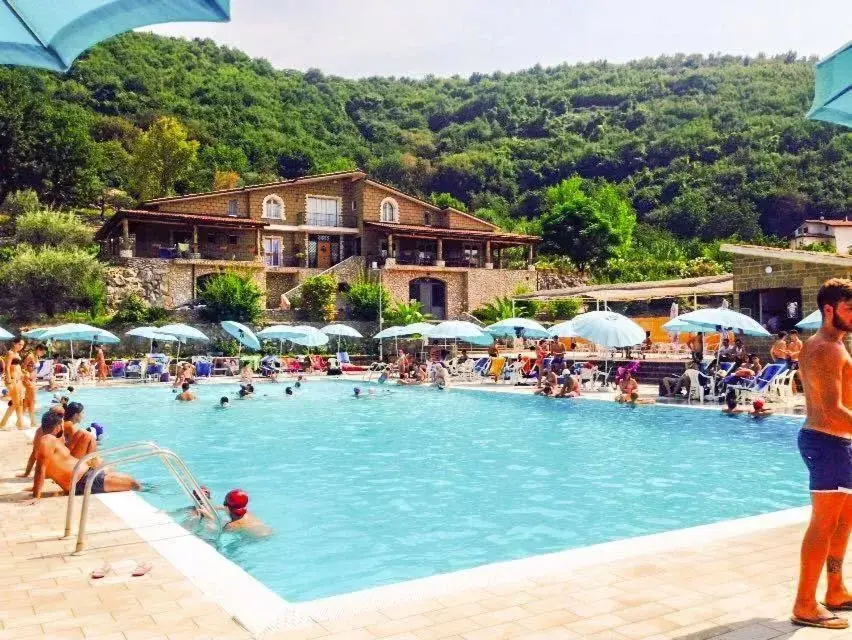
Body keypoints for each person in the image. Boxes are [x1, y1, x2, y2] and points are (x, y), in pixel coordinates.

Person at [787, 279, 852, 629]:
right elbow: (831, 409)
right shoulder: (827, 348)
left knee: (845, 520)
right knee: (824, 524)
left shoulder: (828, 344)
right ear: (828, 309)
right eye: (848, 308)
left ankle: (836, 589)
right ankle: (804, 604)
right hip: (828, 442)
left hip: (837, 442)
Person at [30, 411, 140, 498]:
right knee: (132, 483)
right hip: (83, 482)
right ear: (58, 426)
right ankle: (152, 490)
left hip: (86, 475)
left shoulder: (45, 440)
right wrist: (36, 495)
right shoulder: (47, 440)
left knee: (110, 468)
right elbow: (40, 468)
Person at [0, 354, 25, 429]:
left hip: (17, 382)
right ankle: (2, 424)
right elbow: (6, 368)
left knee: (19, 403)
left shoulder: (16, 361)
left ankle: (20, 423)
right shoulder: (9, 356)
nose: (15, 365)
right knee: (16, 403)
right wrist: (9, 381)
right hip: (12, 382)